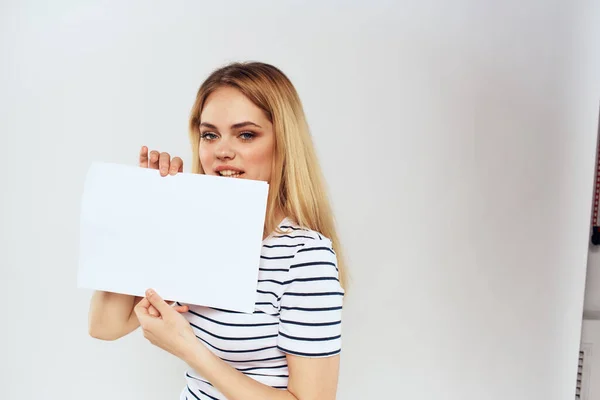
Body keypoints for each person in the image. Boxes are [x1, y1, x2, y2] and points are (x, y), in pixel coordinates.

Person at [88, 61, 348, 400]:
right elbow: (104, 326)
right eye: (210, 134)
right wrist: (143, 213)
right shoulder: (195, 233)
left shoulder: (304, 256)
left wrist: (190, 349)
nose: (222, 151)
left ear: (283, 142)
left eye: (246, 134)